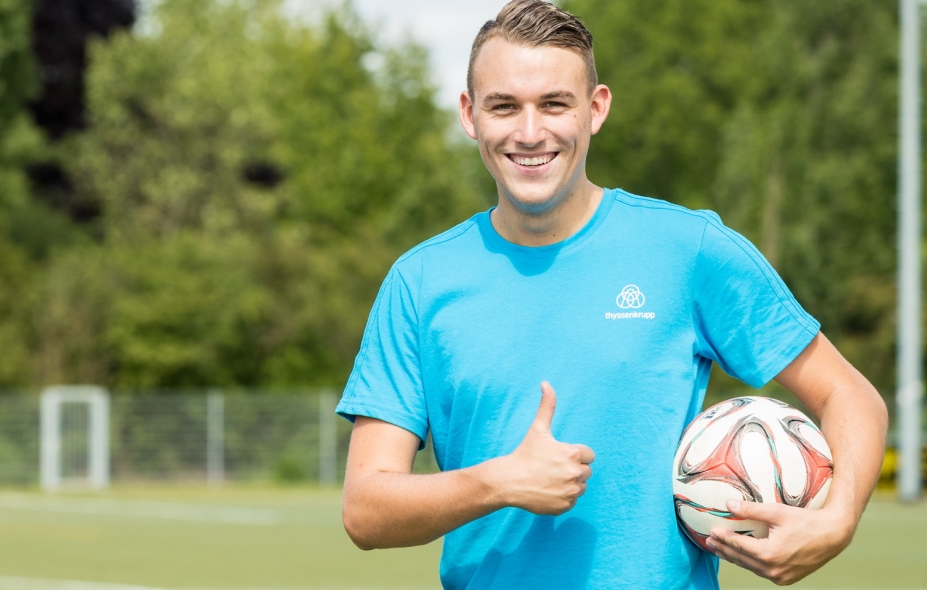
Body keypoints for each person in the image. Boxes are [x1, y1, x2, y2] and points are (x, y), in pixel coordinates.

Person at [334, 1, 889, 588]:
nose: (529, 132)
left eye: (554, 104)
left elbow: (851, 396)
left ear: (595, 109)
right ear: (471, 115)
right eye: (504, 106)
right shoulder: (420, 283)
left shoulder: (687, 249)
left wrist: (838, 520)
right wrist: (498, 482)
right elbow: (365, 508)